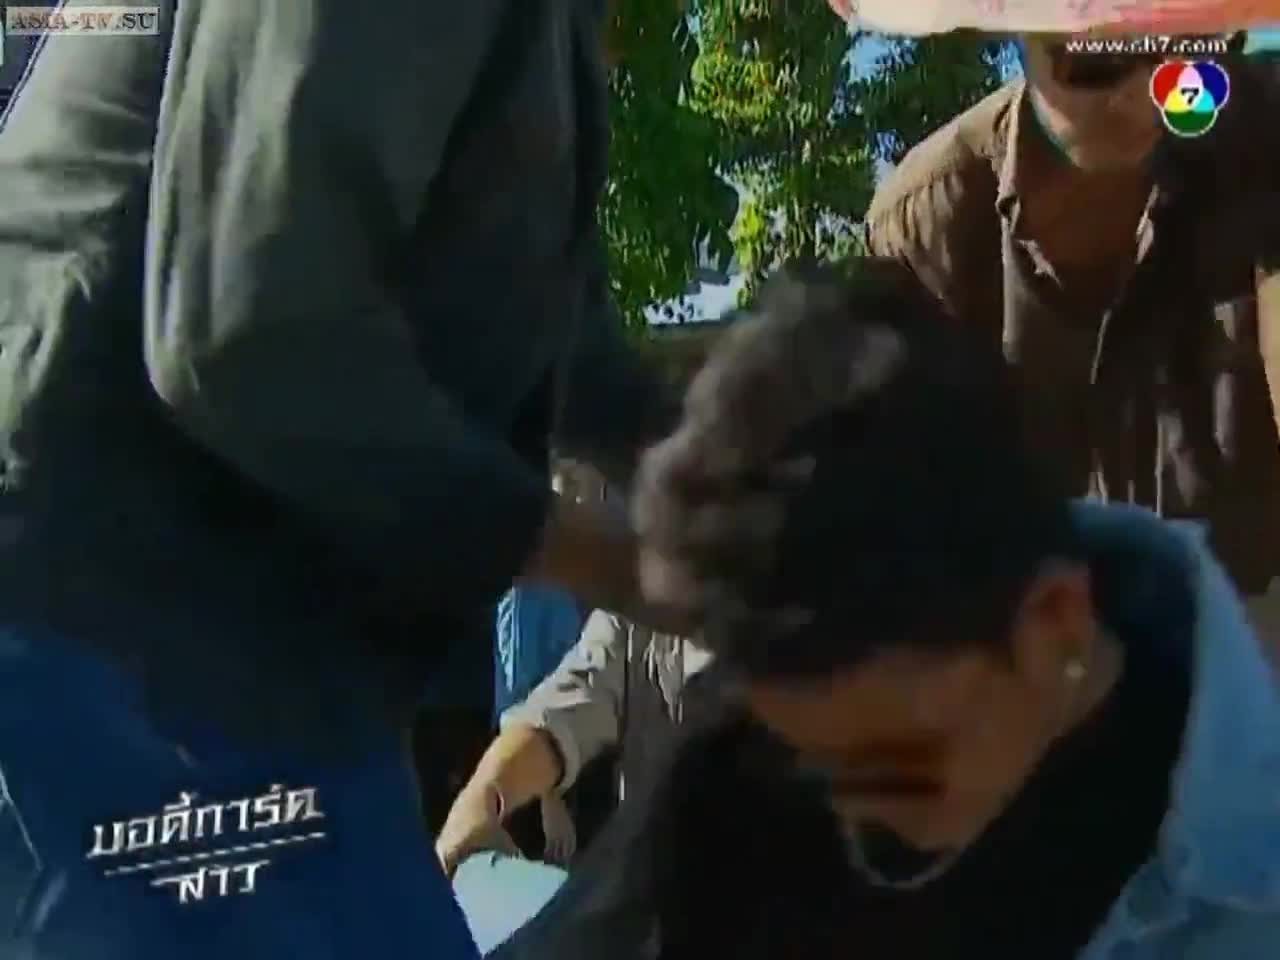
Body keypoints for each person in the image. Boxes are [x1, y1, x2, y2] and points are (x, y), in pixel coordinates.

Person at [0, 1, 676, 957]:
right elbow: (245, 336)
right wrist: (602, 555)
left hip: (265, 668)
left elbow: (572, 357)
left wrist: (776, 493)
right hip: (99, 623)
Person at [499, 260, 1280, 960]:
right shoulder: (741, 770)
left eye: (904, 769)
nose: (860, 828)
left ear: (1054, 622)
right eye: (816, 770)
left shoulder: (1245, 897)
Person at [864, 34, 1280, 649]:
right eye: (1097, 62)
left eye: (1187, 53)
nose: (1146, 95)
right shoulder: (930, 225)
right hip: (1038, 658)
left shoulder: (1262, 139)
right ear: (1024, 36)